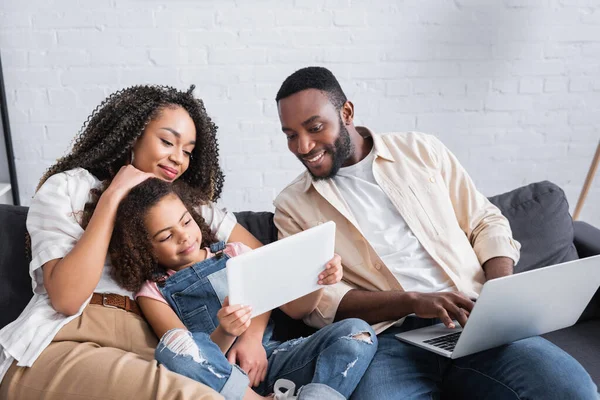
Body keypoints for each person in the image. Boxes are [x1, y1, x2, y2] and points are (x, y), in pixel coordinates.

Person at [272, 66, 598, 400]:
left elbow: (485, 221)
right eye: (290, 135)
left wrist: (499, 293)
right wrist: (414, 301)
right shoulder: (293, 205)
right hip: (387, 342)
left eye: (314, 128)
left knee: (573, 391)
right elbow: (322, 302)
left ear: (347, 113)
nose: (304, 145)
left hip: (472, 322)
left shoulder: (420, 151)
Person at [0, 85, 269, 399]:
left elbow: (264, 264)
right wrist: (114, 195)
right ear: (132, 135)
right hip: (67, 338)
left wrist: (253, 337)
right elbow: (67, 299)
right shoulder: (70, 188)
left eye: (187, 151)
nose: (177, 159)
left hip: (152, 346)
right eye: (167, 141)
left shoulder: (186, 209)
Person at [109, 177, 377, 400]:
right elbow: (189, 355)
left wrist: (319, 280)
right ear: (145, 249)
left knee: (358, 333)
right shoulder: (152, 292)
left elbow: (296, 310)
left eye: (187, 221)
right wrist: (225, 332)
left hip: (271, 358)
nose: (184, 236)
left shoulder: (236, 252)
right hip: (219, 378)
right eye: (167, 236)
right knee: (172, 349)